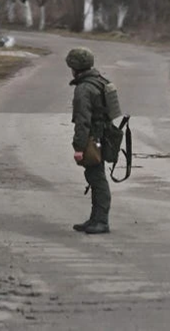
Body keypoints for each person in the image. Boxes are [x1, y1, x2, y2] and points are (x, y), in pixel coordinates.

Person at [67, 47, 112, 235]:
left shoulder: (84, 89)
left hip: (92, 139)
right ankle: (95, 219)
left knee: (97, 178)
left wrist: (79, 147)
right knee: (95, 176)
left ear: (76, 68)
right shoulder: (100, 81)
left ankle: (101, 221)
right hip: (102, 135)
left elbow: (82, 120)